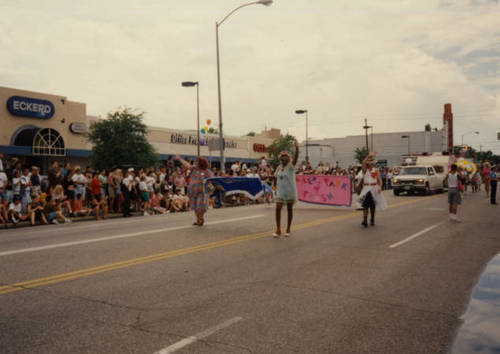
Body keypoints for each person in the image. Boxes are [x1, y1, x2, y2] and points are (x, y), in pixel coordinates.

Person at [175, 155, 213, 225]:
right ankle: (198, 220)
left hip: (202, 192)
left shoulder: (207, 171)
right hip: (192, 191)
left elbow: (212, 180)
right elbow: (187, 165)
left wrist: (210, 189)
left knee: (200, 206)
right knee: (194, 206)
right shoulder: (194, 168)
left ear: (201, 163)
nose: (195, 163)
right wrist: (180, 159)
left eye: (197, 161)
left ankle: (201, 218)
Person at [273, 139, 299, 238]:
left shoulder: (291, 166)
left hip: (290, 192)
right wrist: (275, 188)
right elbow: (276, 178)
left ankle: (288, 228)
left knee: (289, 209)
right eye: (282, 158)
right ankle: (278, 229)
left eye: (285, 157)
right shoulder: (278, 168)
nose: (283, 159)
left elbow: (296, 158)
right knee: (277, 208)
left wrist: (296, 148)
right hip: (280, 192)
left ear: (288, 159)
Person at [357, 152, 387, 227]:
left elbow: (380, 180)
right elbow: (363, 162)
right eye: (370, 163)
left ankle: (372, 219)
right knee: (365, 205)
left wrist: (380, 187)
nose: (371, 164)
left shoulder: (376, 170)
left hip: (374, 188)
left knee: (373, 205)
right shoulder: (364, 170)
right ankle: (365, 220)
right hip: (366, 188)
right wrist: (368, 156)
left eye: (372, 163)